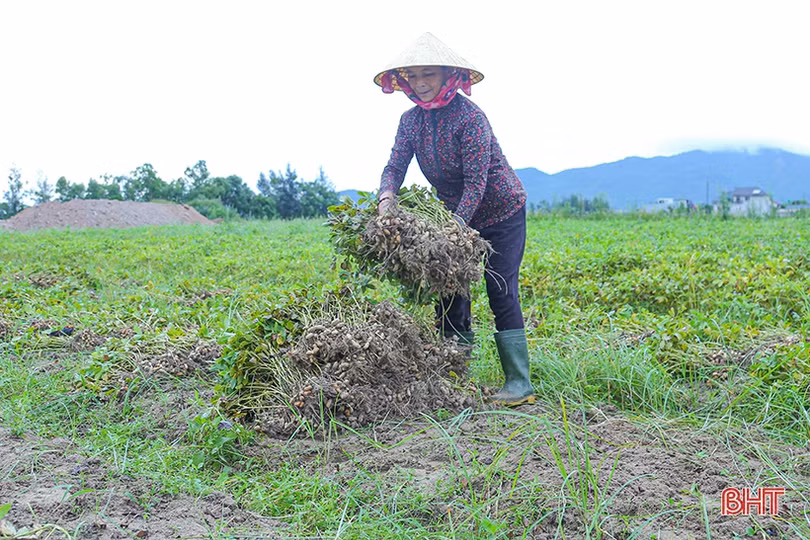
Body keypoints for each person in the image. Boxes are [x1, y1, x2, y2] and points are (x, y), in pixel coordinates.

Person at [374, 32, 535, 406]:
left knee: (501, 290)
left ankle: (519, 382)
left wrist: (451, 230)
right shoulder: (410, 121)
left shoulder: (470, 118)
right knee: (449, 292)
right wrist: (386, 198)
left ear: (448, 76)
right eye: (413, 76)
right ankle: (454, 375)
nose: (421, 83)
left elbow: (476, 183)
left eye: (428, 74)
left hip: (500, 212)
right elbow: (395, 165)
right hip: (455, 215)